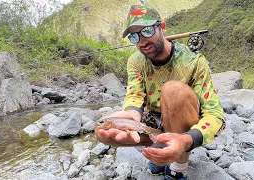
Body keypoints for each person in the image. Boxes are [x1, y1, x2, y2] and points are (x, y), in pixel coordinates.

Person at [95, 4, 225, 180]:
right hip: (152, 124)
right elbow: (135, 95)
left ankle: (178, 166)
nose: (141, 41)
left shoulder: (194, 61)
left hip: (185, 126)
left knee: (172, 90)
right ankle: (160, 150)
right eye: (134, 36)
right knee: (103, 132)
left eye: (147, 31)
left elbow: (215, 115)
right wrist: (131, 114)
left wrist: (186, 140)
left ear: (162, 27)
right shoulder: (135, 61)